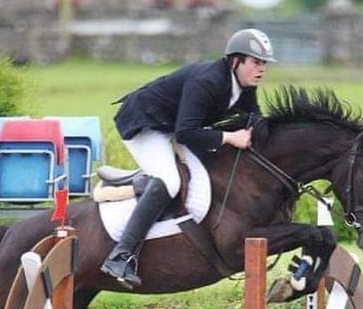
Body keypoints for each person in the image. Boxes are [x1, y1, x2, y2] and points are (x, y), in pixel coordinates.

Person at [100, 28, 276, 288]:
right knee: (170, 180)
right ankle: (120, 256)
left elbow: (254, 121)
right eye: (256, 62)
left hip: (173, 126)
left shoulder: (244, 85)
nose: (261, 69)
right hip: (145, 124)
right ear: (236, 61)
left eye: (264, 64)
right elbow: (186, 133)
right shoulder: (207, 81)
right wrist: (228, 138)